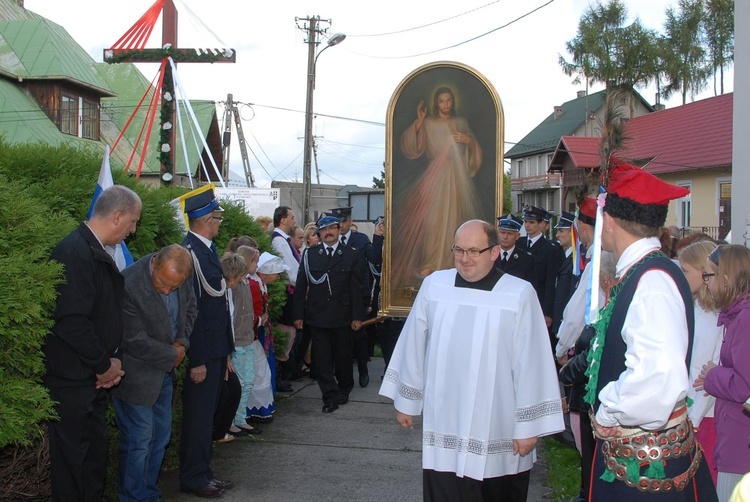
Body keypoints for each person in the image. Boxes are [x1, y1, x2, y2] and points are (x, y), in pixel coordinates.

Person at [380, 220, 564, 501]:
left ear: (493, 252)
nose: (465, 259)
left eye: (474, 251)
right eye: (459, 250)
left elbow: (533, 362)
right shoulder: (435, 286)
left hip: (498, 425)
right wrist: (407, 401)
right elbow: (413, 343)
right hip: (445, 421)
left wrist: (529, 427)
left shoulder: (518, 293)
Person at [587, 160, 716, 500]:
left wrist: (608, 409)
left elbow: (656, 381)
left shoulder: (652, 282)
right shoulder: (640, 272)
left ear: (609, 221)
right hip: (635, 457)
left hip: (646, 466)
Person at [44, 185, 141, 501]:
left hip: (90, 382)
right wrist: (103, 365)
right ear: (117, 216)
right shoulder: (75, 252)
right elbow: (71, 321)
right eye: (133, 222)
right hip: (74, 382)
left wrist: (112, 363)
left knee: (92, 462)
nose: (133, 230)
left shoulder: (92, 251)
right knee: (73, 467)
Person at [111, 244, 196, 502]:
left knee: (160, 437)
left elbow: (190, 310)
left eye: (174, 287)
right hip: (136, 376)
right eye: (163, 283)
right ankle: (132, 496)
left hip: (165, 374)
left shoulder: (182, 274)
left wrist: (182, 343)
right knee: (139, 440)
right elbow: (132, 339)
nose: (167, 290)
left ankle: (147, 493)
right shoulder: (128, 283)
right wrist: (173, 355)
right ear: (155, 263)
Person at [394, 86, 483, 289]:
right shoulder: (428, 123)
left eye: (449, 100)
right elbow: (411, 147)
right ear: (436, 103)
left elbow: (474, 149)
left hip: (456, 176)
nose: (445, 105)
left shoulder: (461, 123)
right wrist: (419, 121)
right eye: (441, 101)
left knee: (453, 217)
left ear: (453, 102)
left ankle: (452, 261)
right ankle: (431, 262)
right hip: (435, 176)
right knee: (433, 220)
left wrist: (467, 140)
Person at [179, 188, 234, 498]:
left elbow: (219, 307)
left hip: (215, 350)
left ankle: (203, 471)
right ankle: (194, 477)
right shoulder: (189, 253)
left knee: (207, 415)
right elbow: (192, 312)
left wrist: (225, 352)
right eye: (217, 218)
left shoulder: (206, 250)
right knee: (198, 419)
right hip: (203, 353)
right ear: (206, 220)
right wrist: (198, 358)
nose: (219, 223)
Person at [293, 215, 366, 413]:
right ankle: (330, 396)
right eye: (324, 230)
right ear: (319, 233)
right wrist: (298, 315)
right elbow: (301, 287)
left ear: (339, 229)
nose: (328, 233)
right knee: (322, 360)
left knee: (343, 356)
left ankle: (344, 388)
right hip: (317, 316)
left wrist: (358, 317)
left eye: (332, 228)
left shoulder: (351, 254)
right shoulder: (310, 254)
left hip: (343, 316)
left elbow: (357, 289)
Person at [696, 245, 750, 501]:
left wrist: (713, 376)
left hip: (742, 445)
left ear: (726, 278)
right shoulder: (737, 316)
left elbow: (744, 386)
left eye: (709, 276)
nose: (705, 283)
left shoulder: (745, 319)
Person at [677, 241, 722, 485]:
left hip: (705, 417)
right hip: (687, 413)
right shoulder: (693, 308)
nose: (681, 276)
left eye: (685, 271)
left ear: (704, 272)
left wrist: (693, 420)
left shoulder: (716, 317)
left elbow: (707, 370)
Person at [329, 206, 383, 388]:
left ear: (350, 221)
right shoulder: (332, 241)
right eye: (338, 223)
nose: (341, 226)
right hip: (337, 297)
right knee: (339, 337)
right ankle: (341, 374)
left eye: (343, 222)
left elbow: (375, 258)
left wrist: (378, 236)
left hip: (358, 296)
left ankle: (363, 370)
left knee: (359, 336)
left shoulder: (360, 239)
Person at [247, 252, 289, 422]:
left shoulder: (259, 284)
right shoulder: (254, 284)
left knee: (263, 370)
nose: (278, 278)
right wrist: (260, 319)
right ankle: (256, 410)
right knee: (258, 372)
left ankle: (262, 407)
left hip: (260, 331)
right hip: (255, 334)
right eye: (277, 274)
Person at [270, 206, 300, 389]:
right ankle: (280, 373)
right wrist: (303, 284)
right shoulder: (279, 241)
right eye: (292, 217)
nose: (294, 220)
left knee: (290, 333)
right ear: (283, 219)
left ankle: (282, 372)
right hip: (287, 293)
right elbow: (289, 268)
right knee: (286, 333)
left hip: (290, 290)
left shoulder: (283, 240)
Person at [517, 205, 560, 329]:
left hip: (537, 301)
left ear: (541, 224)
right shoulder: (519, 243)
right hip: (519, 299)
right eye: (525, 222)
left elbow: (550, 283)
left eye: (531, 222)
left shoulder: (549, 249)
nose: (527, 225)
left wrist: (547, 312)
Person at [551, 211, 576, 336]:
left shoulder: (576, 260)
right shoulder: (563, 255)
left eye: (561, 231)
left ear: (573, 232)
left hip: (567, 323)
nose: (557, 235)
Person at [493, 213, 534, 280]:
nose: (505, 237)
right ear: (498, 233)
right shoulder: (489, 255)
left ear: (517, 236)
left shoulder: (526, 259)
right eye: (503, 232)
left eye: (510, 233)